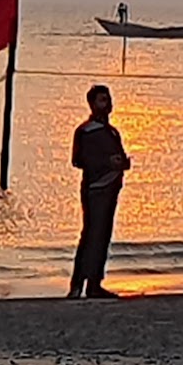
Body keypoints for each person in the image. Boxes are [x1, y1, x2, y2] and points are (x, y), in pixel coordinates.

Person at [68, 83, 130, 299]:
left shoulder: (112, 132)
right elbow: (78, 160)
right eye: (102, 100)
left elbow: (118, 156)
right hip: (95, 189)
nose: (107, 104)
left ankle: (95, 283)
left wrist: (121, 162)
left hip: (111, 188)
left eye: (108, 100)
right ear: (92, 104)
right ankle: (77, 284)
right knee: (90, 235)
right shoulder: (85, 131)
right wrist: (106, 162)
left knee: (103, 236)